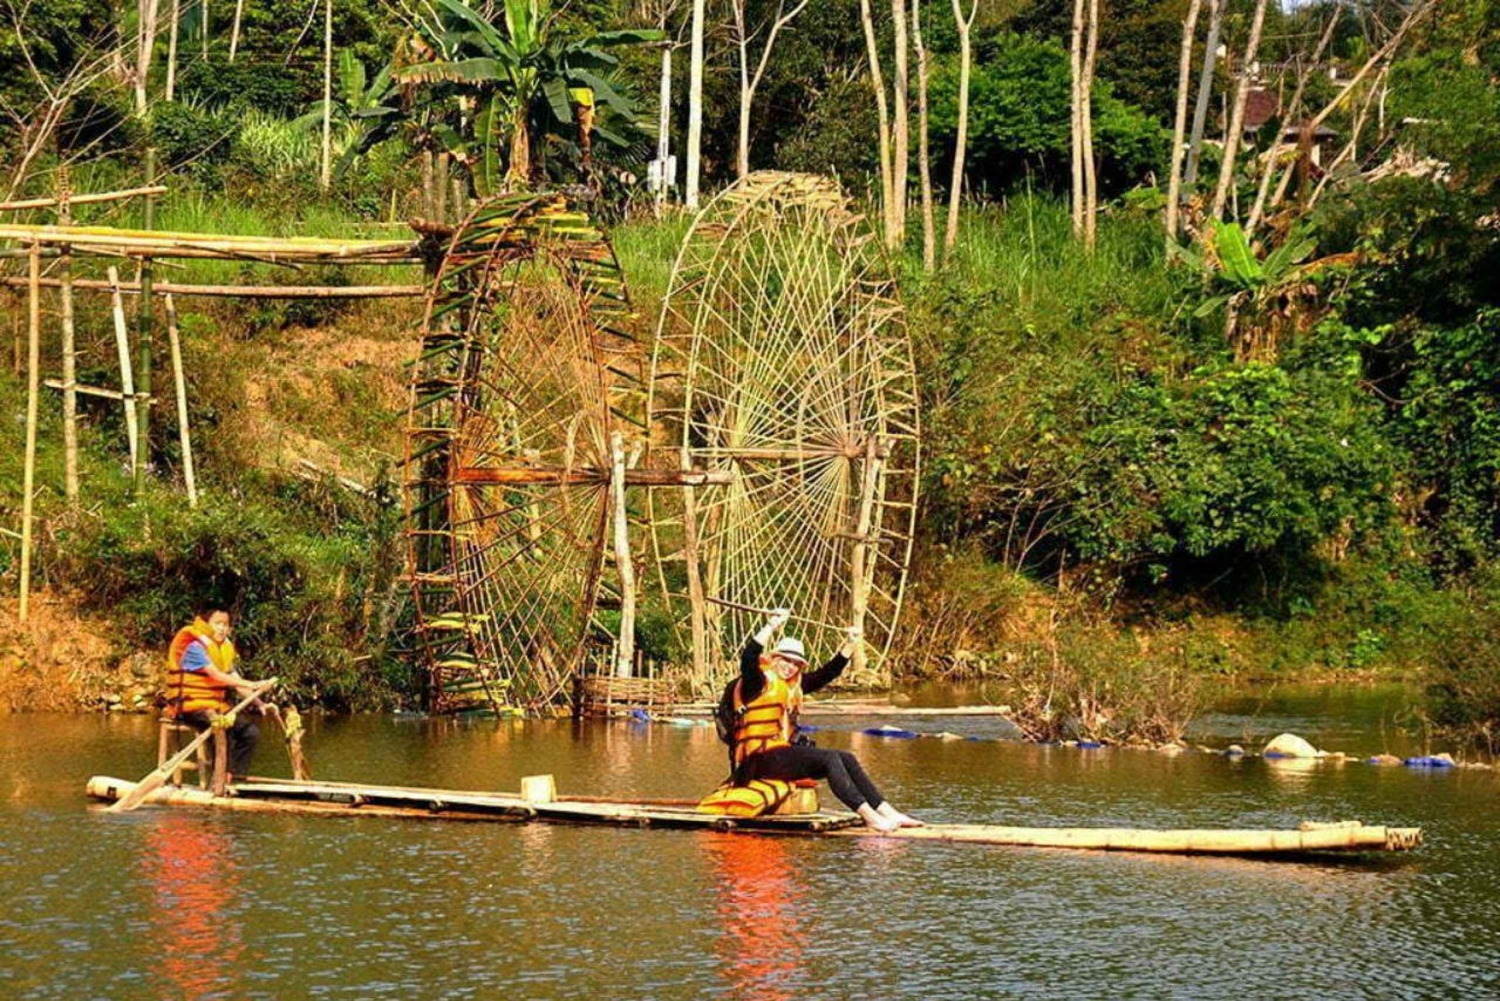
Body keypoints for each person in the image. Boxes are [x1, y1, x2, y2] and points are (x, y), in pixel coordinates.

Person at [729, 609, 922, 833]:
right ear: (775, 658)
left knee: (846, 757)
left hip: (779, 753)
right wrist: (771, 625)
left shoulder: (792, 686)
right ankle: (870, 818)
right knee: (829, 760)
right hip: (757, 760)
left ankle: (887, 811)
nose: (789, 667)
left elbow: (827, 673)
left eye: (795, 664)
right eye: (786, 660)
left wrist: (850, 644)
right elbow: (749, 657)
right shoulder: (757, 681)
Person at [164, 607, 271, 782]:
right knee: (220, 729)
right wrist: (253, 683)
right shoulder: (195, 648)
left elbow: (235, 680)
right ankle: (218, 780)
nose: (222, 628)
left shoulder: (225, 648)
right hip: (190, 706)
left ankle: (234, 776)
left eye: (225, 624)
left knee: (250, 732)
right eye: (217, 624)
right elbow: (216, 675)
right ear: (206, 625)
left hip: (215, 707)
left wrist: (259, 703)